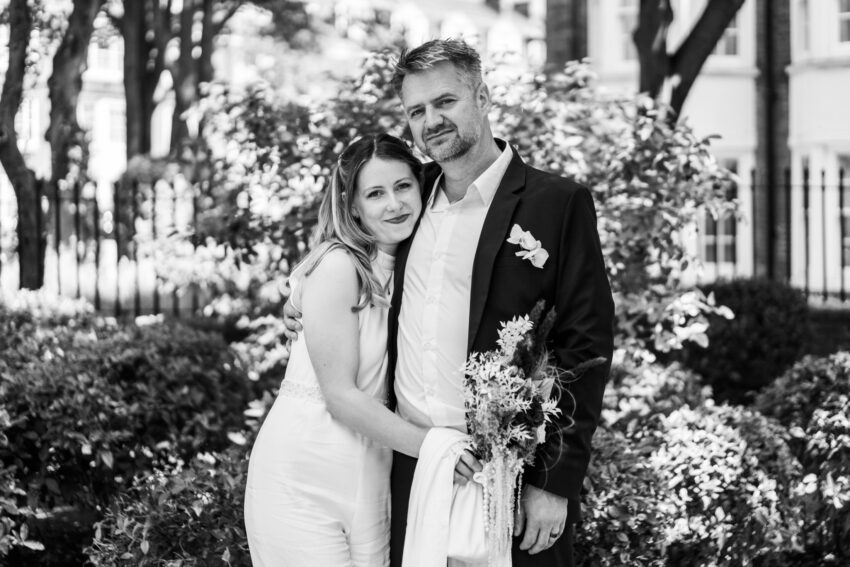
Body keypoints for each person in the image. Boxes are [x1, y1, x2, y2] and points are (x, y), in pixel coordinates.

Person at [286, 39, 615, 566]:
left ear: (482, 97)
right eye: (416, 111)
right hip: (412, 467)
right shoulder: (408, 196)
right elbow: (347, 245)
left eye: (445, 102)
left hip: (508, 474)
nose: (431, 120)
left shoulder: (556, 204)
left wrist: (553, 482)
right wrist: (305, 284)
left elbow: (586, 346)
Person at [244, 133, 479, 567]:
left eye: (403, 186)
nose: (394, 204)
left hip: (370, 472)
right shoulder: (338, 265)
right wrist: (437, 448)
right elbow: (340, 397)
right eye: (375, 193)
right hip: (303, 475)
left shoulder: (415, 261)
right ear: (353, 205)